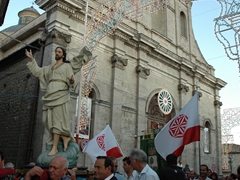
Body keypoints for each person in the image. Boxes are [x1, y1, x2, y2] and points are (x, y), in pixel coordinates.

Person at [25, 46, 91, 156]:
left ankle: (55, 147)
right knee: (46, 119)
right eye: (56, 51)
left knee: (57, 120)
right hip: (50, 94)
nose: (57, 53)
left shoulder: (67, 66)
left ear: (63, 55)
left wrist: (71, 80)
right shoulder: (49, 68)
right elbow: (37, 71)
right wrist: (31, 58)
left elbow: (71, 82)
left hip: (60, 93)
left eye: (59, 51)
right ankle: (65, 137)